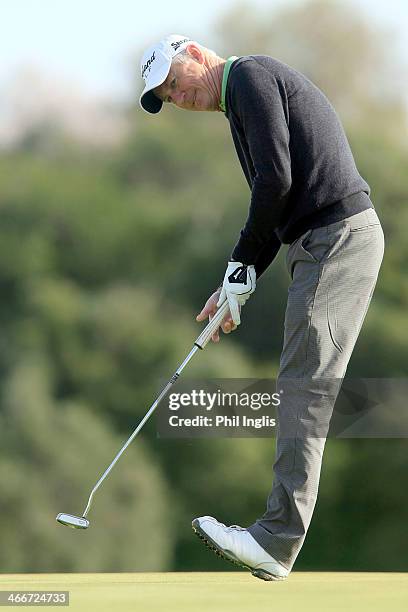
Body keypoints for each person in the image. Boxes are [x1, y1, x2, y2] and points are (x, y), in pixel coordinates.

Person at [139, 35, 384, 581]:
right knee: (305, 382)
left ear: (198, 55)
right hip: (319, 241)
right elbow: (276, 202)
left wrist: (240, 260)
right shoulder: (241, 100)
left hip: (335, 239)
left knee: (304, 385)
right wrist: (239, 281)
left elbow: (276, 181)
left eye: (176, 83)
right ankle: (278, 537)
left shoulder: (248, 78)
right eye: (169, 97)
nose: (179, 98)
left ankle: (276, 539)